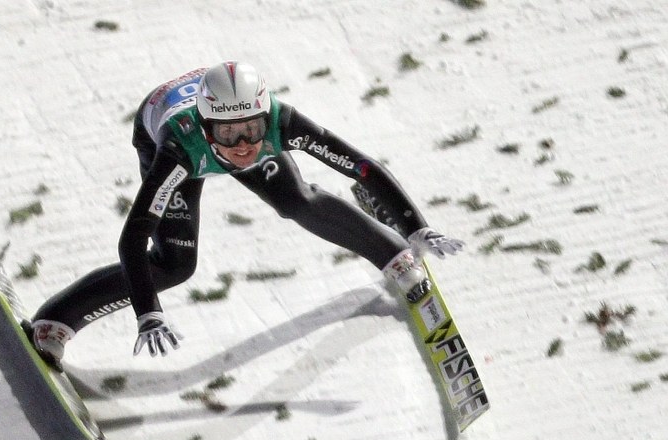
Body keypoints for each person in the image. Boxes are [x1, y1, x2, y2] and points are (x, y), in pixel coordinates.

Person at [28, 61, 464, 366]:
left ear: (265, 117)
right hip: (165, 128)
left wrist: (417, 227)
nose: (241, 145)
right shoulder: (180, 147)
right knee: (174, 264)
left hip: (210, 131)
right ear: (206, 126)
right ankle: (57, 320)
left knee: (298, 201)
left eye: (252, 131)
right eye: (229, 133)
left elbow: (362, 166)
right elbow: (134, 234)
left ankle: (391, 252)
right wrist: (148, 311)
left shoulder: (282, 122)